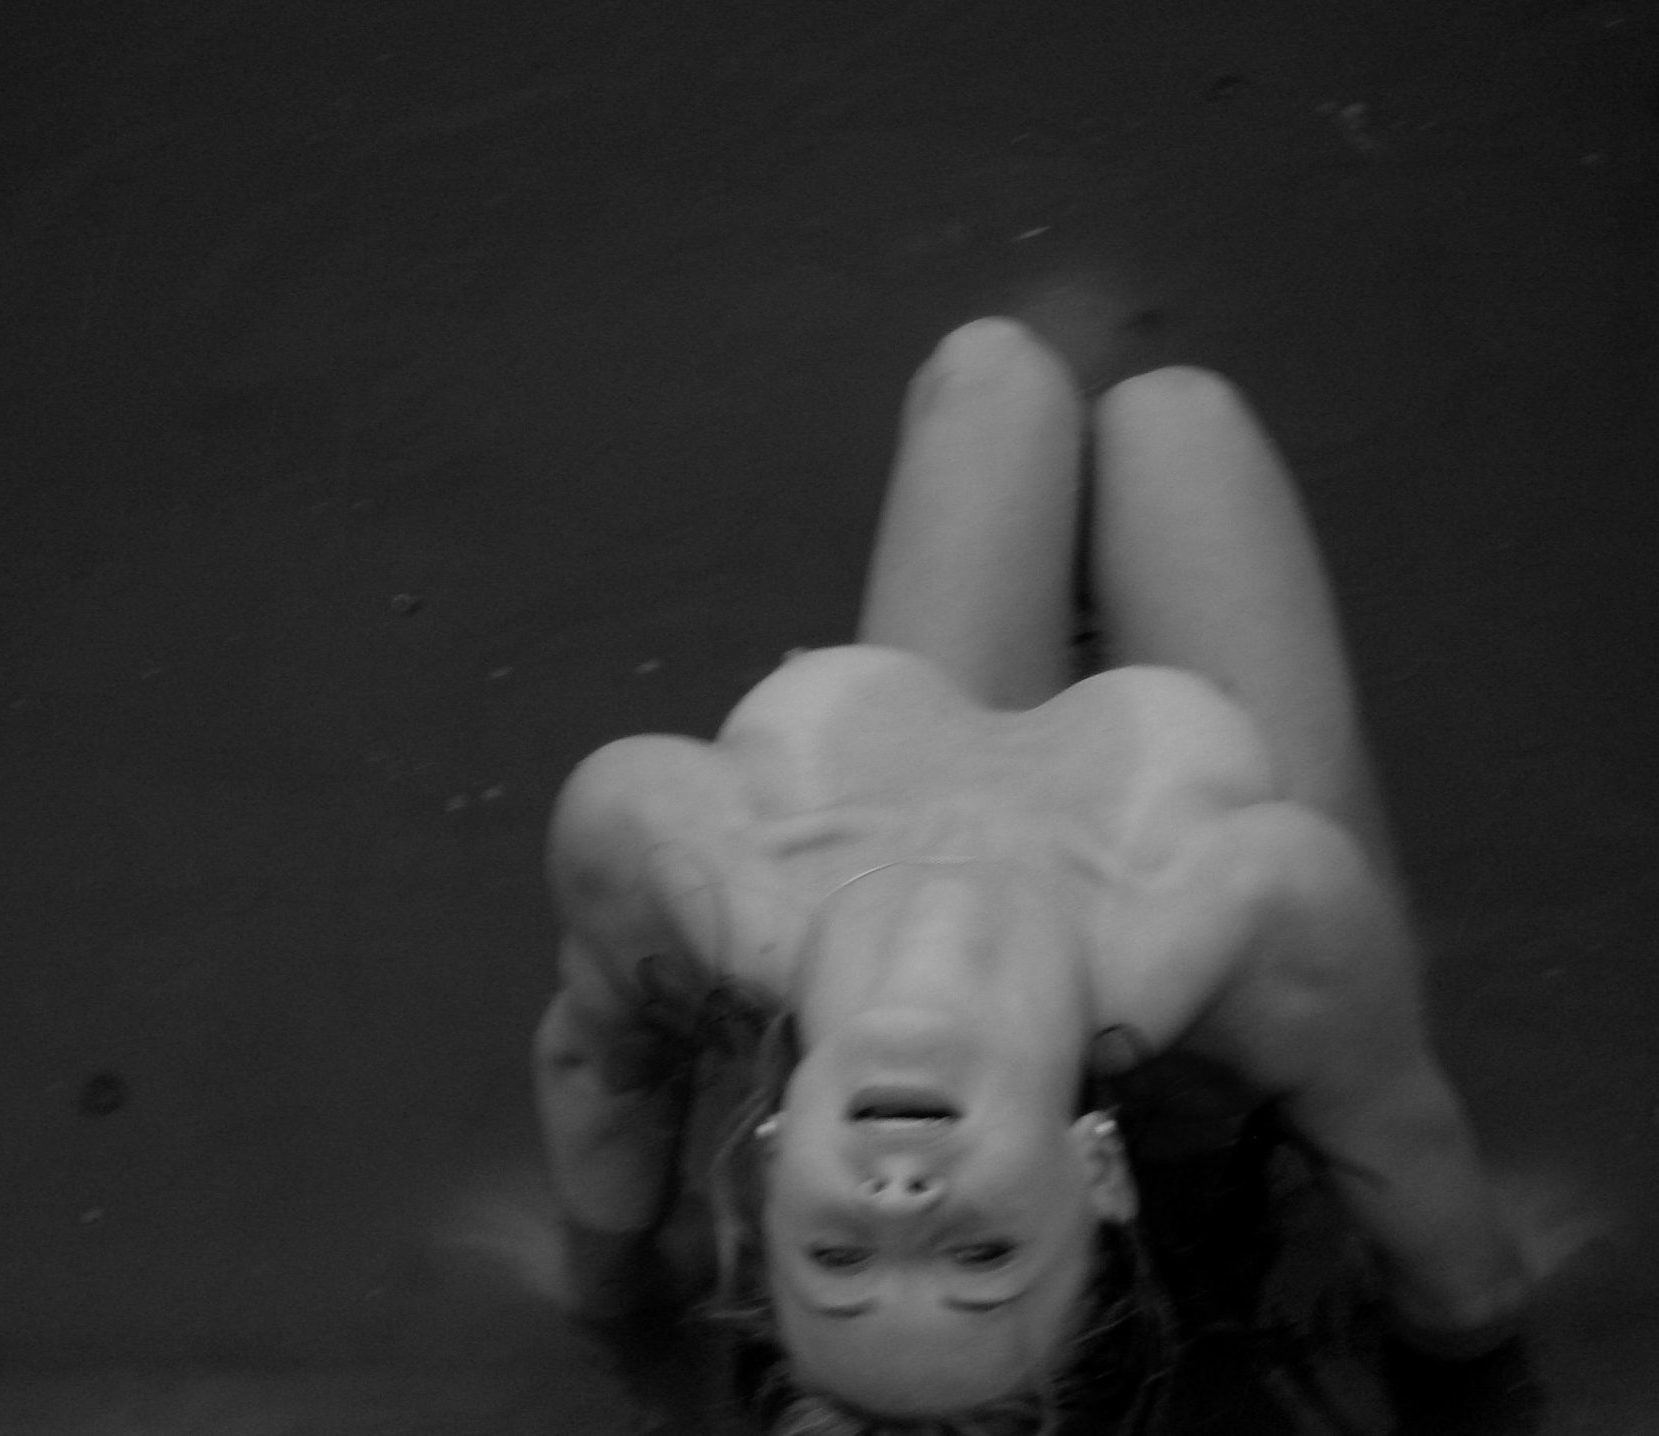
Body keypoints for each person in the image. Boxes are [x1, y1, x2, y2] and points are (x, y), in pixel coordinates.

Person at [531, 318, 1530, 1431]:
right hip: (1167, 876)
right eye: (981, 1252)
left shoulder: (674, 854)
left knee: (992, 372)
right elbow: (1458, 1277)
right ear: (1097, 1172)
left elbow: (595, 1070)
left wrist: (610, 1310)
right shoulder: (1246, 918)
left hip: (894, 779)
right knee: (1177, 418)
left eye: (839, 1255)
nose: (900, 1198)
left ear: (772, 1165)